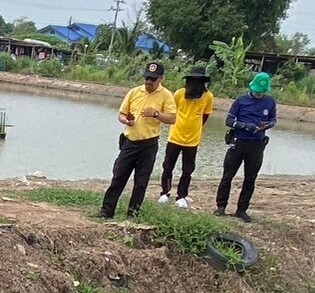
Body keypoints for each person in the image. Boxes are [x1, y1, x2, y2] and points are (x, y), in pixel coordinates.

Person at [98, 61, 177, 220]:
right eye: (147, 78)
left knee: (141, 182)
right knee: (118, 178)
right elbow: (121, 114)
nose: (148, 82)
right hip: (129, 142)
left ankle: (132, 214)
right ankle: (107, 211)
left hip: (148, 145)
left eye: (152, 79)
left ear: (161, 79)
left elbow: (172, 118)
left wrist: (155, 114)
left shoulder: (166, 95)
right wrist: (126, 121)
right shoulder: (134, 92)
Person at [216, 72, 276, 223]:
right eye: (256, 91)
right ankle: (221, 207)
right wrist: (243, 126)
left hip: (257, 145)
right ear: (251, 87)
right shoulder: (240, 101)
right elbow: (229, 120)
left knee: (250, 179)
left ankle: (241, 210)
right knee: (227, 176)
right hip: (239, 142)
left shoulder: (270, 102)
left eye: (261, 92)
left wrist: (268, 125)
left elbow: (273, 120)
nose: (258, 94)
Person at [159, 67, 212, 208]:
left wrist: (195, 127)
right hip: (175, 136)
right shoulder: (179, 94)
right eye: (192, 80)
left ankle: (181, 196)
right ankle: (164, 192)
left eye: (198, 81)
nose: (195, 84)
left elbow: (205, 115)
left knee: (187, 170)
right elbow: (171, 112)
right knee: (168, 166)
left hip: (193, 139)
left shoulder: (208, 97)